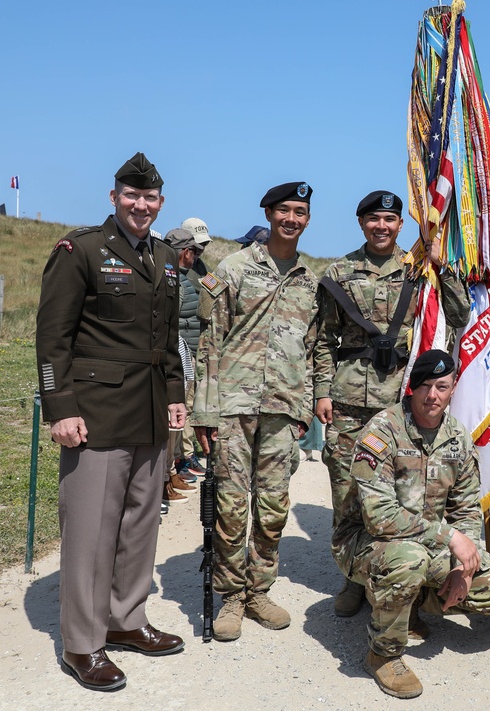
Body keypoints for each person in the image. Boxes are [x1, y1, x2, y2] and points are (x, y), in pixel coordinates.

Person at [35, 151, 186, 691]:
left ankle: (126, 621)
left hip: (149, 413)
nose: (141, 205)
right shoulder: (82, 250)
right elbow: (52, 337)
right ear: (114, 197)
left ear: (160, 203)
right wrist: (61, 408)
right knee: (91, 531)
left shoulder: (166, 256)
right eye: (131, 195)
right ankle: (82, 643)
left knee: (141, 522)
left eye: (150, 198)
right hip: (94, 414)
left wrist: (174, 396)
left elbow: (167, 338)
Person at [314, 190, 470, 617]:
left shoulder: (418, 271)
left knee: (406, 494)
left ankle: (408, 583)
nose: (381, 226)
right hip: (348, 400)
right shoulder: (339, 272)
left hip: (404, 400)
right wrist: (322, 391)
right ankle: (354, 577)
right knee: (348, 492)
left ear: (401, 225)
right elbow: (324, 340)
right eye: (373, 219)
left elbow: (458, 314)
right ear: (360, 222)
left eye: (389, 220)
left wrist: (442, 265)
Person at [332, 350, 490, 699]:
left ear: (453, 388)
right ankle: (383, 653)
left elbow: (467, 509)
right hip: (362, 542)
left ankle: (406, 602)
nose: (433, 396)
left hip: (423, 543)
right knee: (409, 560)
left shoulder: (457, 437)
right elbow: (379, 517)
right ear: (412, 388)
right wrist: (449, 536)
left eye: (442, 387)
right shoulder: (383, 430)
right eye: (426, 386)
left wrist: (465, 563)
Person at [192, 182, 320, 642]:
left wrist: (305, 409)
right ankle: (230, 596)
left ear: (308, 219)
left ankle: (258, 591)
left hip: (283, 412)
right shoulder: (235, 268)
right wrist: (203, 413)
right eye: (284, 209)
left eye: (300, 211)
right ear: (268, 214)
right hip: (233, 407)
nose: (291, 218)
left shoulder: (310, 280)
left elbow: (312, 350)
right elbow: (209, 341)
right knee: (229, 506)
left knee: (271, 508)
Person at [163, 228, 208, 482]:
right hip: (180, 355)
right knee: (181, 412)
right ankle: (172, 470)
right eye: (195, 251)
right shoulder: (176, 281)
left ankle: (174, 467)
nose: (197, 256)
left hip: (185, 352)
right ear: (186, 252)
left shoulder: (184, 277)